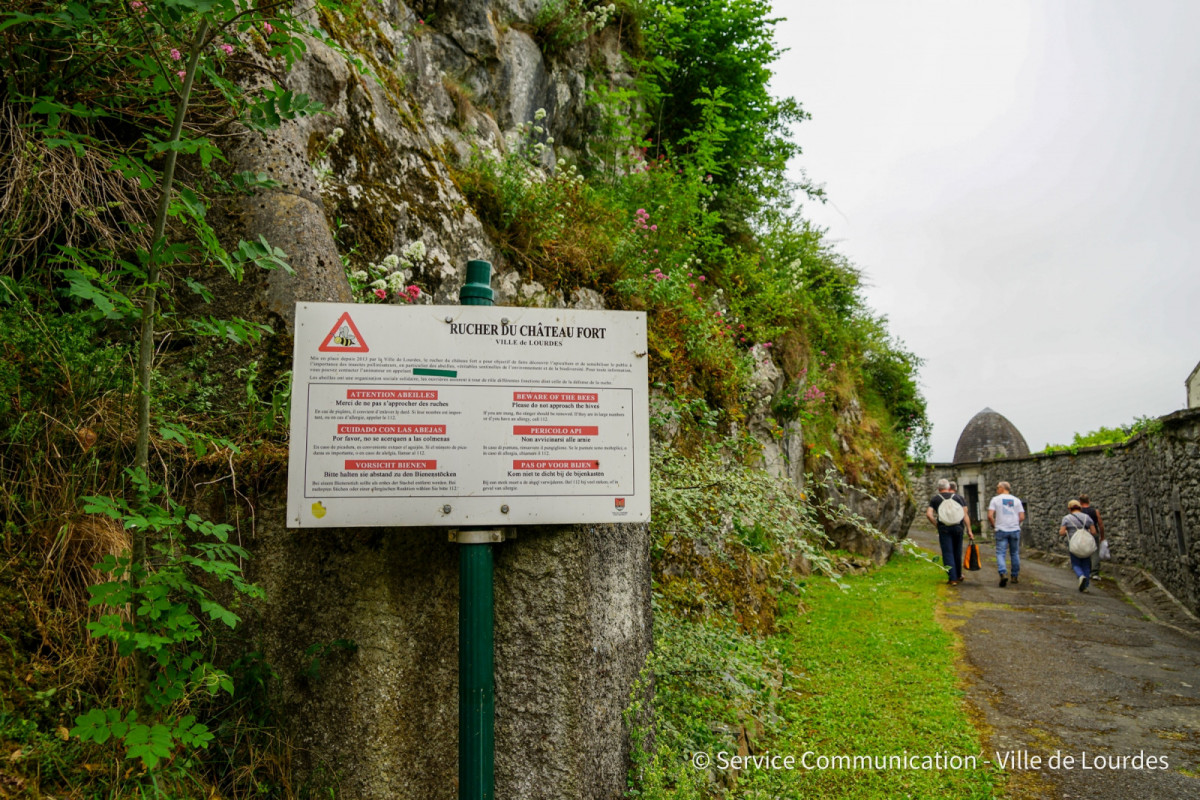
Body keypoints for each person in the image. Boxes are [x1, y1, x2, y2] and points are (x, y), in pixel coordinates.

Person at [926, 479, 974, 585]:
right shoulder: (958, 498)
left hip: (944, 528)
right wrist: (969, 530)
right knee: (957, 551)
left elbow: (929, 514)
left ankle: (952, 578)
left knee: (948, 553)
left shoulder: (935, 499)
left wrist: (937, 525)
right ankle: (958, 575)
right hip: (958, 527)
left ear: (938, 489)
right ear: (948, 488)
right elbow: (965, 515)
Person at [987, 481, 1025, 587]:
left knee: (1000, 553)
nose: (996, 489)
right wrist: (1015, 524)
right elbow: (1022, 517)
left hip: (1001, 529)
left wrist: (994, 525)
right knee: (1014, 553)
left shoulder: (995, 500)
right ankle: (1014, 576)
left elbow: (990, 515)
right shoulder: (1017, 500)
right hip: (1014, 529)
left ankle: (1003, 572)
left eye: (998, 487)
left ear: (1003, 488)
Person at [1059, 499, 1098, 592]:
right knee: (1086, 564)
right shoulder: (1087, 517)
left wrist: (1068, 531)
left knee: (1076, 563)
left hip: (1074, 544)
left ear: (1069, 508)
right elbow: (1094, 531)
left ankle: (1080, 576)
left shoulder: (1067, 518)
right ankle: (1085, 586)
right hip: (1085, 544)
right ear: (1080, 508)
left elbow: (1061, 532)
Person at [1078, 494, 1106, 580]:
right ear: (1088, 501)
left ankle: (1085, 570)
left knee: (1084, 552)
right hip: (1094, 533)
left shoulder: (1079, 512)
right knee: (1095, 552)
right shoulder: (1095, 511)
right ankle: (1094, 573)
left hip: (1083, 534)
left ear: (1080, 502)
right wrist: (1102, 536)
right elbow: (1100, 525)